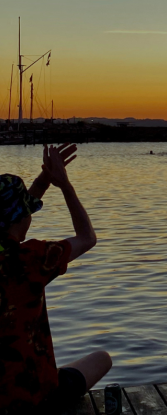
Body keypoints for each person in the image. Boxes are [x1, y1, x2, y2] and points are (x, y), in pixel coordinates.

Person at [0, 144, 112, 414]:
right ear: (22, 217)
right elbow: (87, 237)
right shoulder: (31, 260)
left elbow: (13, 219)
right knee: (102, 359)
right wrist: (65, 186)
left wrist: (43, 181)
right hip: (34, 396)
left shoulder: (18, 255)